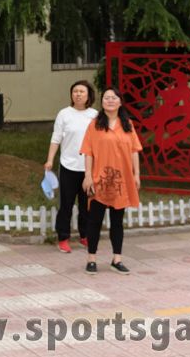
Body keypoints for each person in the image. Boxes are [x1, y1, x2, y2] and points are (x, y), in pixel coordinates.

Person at [81, 88, 142, 275]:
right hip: (100, 179)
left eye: (113, 97)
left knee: (117, 221)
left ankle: (117, 259)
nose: (110, 100)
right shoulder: (94, 125)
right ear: (102, 102)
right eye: (106, 97)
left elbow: (134, 151)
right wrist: (88, 176)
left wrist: (136, 175)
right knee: (95, 220)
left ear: (120, 102)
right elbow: (88, 152)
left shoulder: (127, 125)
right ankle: (91, 259)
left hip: (121, 180)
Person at [44, 80, 97, 253]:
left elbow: (100, 141)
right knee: (66, 204)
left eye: (82, 91)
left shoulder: (95, 115)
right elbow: (56, 138)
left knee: (86, 205)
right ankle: (63, 238)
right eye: (75, 91)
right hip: (68, 166)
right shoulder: (64, 114)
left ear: (89, 95)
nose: (78, 94)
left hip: (88, 168)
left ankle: (85, 235)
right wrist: (50, 160)